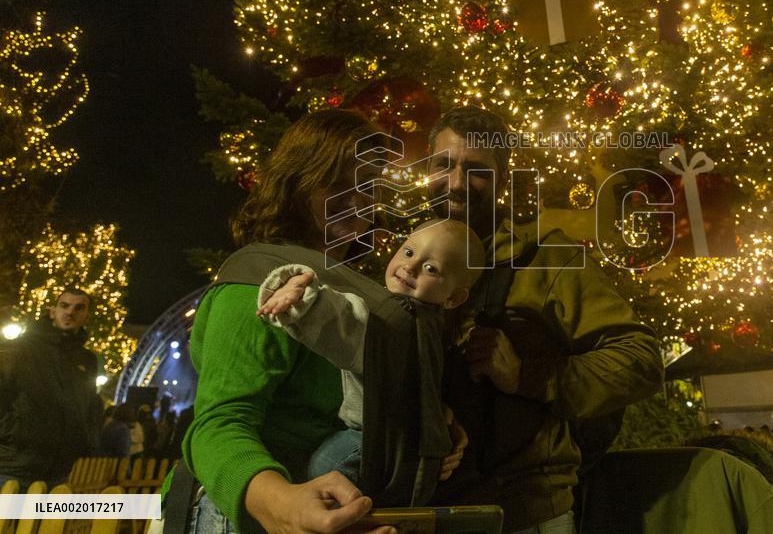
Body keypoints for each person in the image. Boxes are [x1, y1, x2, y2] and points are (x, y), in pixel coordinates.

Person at [423, 106, 664, 532]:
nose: (457, 183)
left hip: (524, 512)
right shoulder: (406, 263)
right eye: (444, 165)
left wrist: (526, 375)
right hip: (428, 509)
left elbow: (641, 359)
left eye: (476, 170)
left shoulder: (547, 256)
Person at [181, 109, 412, 534]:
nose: (358, 202)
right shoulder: (258, 284)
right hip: (249, 515)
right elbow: (217, 425)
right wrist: (281, 502)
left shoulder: (352, 290)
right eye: (338, 185)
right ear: (297, 182)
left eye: (367, 187)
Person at [257, 218, 483, 484]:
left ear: (454, 298)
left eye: (431, 269)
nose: (410, 267)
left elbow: (345, 317)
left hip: (369, 439)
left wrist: (301, 293)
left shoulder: (391, 320)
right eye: (409, 252)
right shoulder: (432, 323)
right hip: (410, 445)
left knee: (320, 469)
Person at [0, 287, 103, 487]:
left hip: (58, 471)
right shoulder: (23, 348)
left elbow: (90, 404)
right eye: (64, 305)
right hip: (12, 465)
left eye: (79, 308)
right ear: (52, 311)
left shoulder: (87, 360)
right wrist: (12, 433)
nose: (70, 312)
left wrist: (86, 439)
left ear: (86, 315)